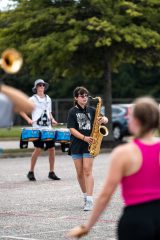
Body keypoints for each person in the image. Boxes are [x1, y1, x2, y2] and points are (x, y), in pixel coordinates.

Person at [67, 96, 160, 239]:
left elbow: (105, 195)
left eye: (130, 117)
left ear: (136, 120)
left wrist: (87, 227)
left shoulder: (123, 153)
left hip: (135, 220)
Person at [67, 86, 108, 211]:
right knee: (79, 173)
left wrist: (104, 119)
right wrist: (84, 137)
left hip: (90, 145)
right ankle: (85, 196)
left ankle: (89, 200)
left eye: (86, 95)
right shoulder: (72, 112)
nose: (84, 98)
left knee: (87, 170)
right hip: (77, 144)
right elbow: (71, 129)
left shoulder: (92, 110)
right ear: (76, 98)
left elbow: (105, 119)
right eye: (81, 95)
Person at [20, 79, 60, 181]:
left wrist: (53, 119)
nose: (42, 86)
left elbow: (49, 113)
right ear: (36, 87)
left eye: (43, 85)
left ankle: (51, 172)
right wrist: (29, 119)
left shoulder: (48, 98)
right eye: (39, 85)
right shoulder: (32, 99)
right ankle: (31, 172)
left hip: (48, 129)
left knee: (52, 149)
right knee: (38, 149)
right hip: (37, 129)